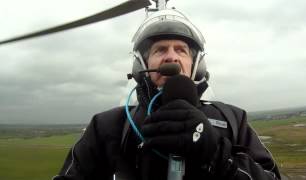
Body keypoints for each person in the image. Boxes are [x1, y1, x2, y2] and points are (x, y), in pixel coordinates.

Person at [53, 9, 281, 180]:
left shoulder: (232, 120)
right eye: (160, 49)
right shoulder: (106, 127)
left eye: (181, 50)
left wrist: (219, 156)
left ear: (197, 66)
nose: (171, 57)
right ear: (141, 65)